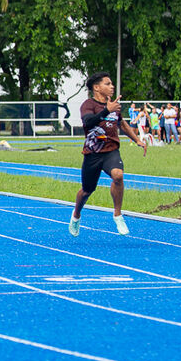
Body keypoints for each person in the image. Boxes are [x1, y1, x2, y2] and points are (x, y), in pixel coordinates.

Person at [68, 72, 147, 237]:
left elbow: (122, 124)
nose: (112, 87)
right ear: (97, 87)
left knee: (118, 175)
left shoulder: (114, 105)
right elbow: (88, 122)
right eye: (108, 84)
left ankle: (118, 214)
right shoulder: (88, 104)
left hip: (111, 151)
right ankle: (76, 214)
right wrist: (106, 111)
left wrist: (137, 140)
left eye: (112, 84)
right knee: (87, 190)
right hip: (93, 153)